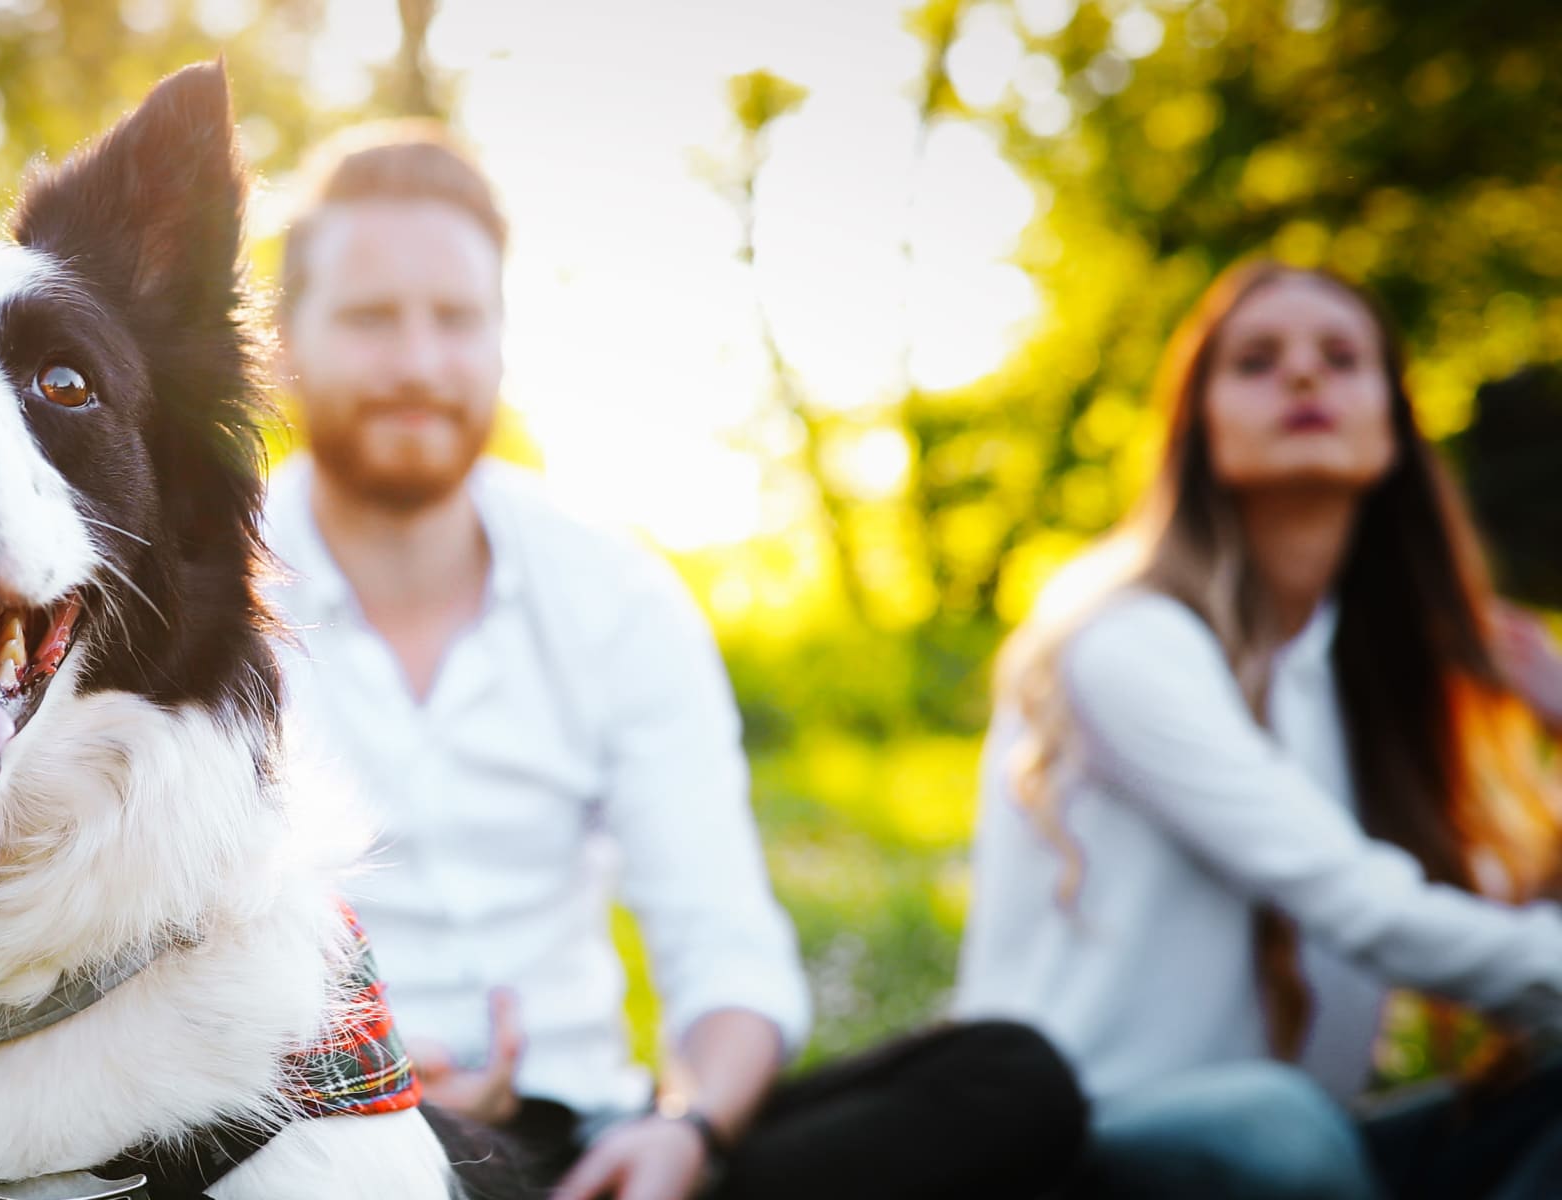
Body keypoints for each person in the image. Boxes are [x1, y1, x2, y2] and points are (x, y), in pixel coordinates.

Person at [261, 121, 1086, 1199]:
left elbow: (723, 952)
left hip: (586, 1153)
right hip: (309, 1149)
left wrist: (686, 1129)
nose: (419, 363)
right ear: (281, 343)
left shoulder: (616, 596)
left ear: (501, 340)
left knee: (1006, 1080)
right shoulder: (194, 612)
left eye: (456, 320)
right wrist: (354, 1086)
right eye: (372, 319)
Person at [955, 259, 1562, 1200]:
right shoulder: (1123, 640)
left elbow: (1492, 925)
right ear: (1196, 423)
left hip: (1306, 1154)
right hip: (1089, 1144)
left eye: (1340, 357)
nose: (1305, 376)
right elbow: (1361, 904)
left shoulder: (1362, 678)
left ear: (1395, 424)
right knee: (1274, 1127)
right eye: (1257, 360)